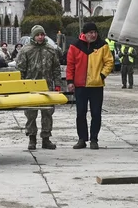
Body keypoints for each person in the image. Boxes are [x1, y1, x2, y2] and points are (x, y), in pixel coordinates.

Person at [66, 22, 114, 150]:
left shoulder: (103, 46)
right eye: (90, 33)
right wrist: (70, 81)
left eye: (95, 32)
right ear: (84, 34)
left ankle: (94, 139)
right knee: (80, 113)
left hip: (96, 85)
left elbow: (109, 62)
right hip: (80, 85)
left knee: (96, 113)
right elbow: (70, 65)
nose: (93, 35)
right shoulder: (75, 46)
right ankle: (82, 139)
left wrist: (102, 76)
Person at [16, 25, 60, 151]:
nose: (40, 37)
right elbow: (20, 70)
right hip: (31, 87)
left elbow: (56, 68)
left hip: (47, 86)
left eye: (42, 34)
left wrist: (57, 84)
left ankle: (46, 138)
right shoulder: (26, 50)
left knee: (47, 113)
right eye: (38, 35)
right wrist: (21, 87)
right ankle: (32, 138)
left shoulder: (51, 50)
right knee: (31, 114)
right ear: (33, 36)